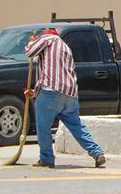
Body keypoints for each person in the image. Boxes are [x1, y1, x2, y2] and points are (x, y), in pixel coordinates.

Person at [24, 28, 106, 169]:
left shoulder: (47, 39)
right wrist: (36, 92)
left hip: (50, 91)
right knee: (77, 126)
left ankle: (46, 159)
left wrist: (32, 42)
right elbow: (55, 71)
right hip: (69, 94)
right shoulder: (66, 47)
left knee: (43, 127)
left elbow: (30, 52)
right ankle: (96, 152)